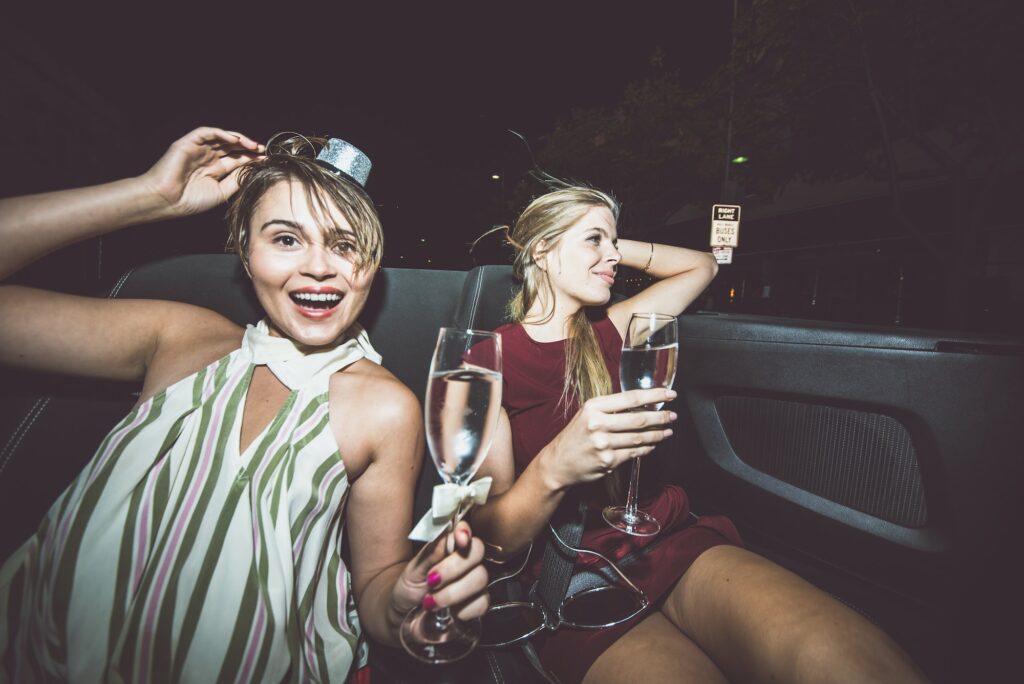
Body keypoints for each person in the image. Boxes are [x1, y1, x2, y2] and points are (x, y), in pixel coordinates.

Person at [0, 127, 488, 683]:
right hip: (36, 653)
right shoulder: (176, 337)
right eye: (286, 239)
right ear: (245, 252)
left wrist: (403, 606)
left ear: (370, 266)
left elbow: (377, 593)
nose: (319, 266)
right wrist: (148, 196)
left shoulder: (384, 408)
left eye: (345, 244)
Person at [471, 185, 927, 683]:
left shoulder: (616, 327)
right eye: (594, 240)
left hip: (664, 533)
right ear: (542, 248)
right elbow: (498, 538)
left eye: (616, 243)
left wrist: (615, 244)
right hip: (573, 568)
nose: (613, 257)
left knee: (851, 664)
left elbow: (702, 267)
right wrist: (553, 467)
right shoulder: (488, 361)